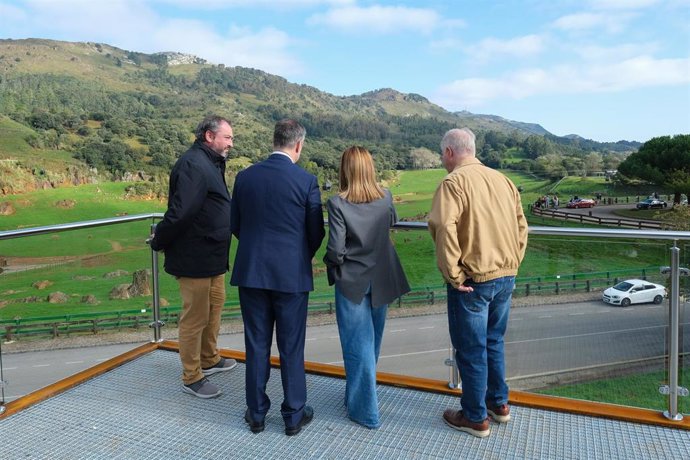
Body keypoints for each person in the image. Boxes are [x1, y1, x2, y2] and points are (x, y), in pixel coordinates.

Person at [428, 128, 528, 438]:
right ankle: (499, 404)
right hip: (505, 275)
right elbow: (522, 225)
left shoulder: (453, 182)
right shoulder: (504, 180)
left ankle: (474, 417)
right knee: (494, 341)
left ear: (449, 153)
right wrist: (514, 262)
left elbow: (443, 226)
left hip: (473, 279)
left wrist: (453, 275)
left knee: (470, 349)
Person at [230, 119, 325, 436]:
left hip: (252, 272)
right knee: (291, 347)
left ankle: (256, 414)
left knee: (256, 344)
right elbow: (316, 232)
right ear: (299, 145)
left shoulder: (245, 177)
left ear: (274, 141)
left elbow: (236, 225)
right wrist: (298, 256)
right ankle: (294, 415)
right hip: (292, 276)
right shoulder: (307, 180)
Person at [150, 115, 238, 399]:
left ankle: (209, 358)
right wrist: (160, 239)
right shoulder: (193, 164)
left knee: (214, 308)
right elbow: (181, 212)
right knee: (195, 316)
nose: (231, 144)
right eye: (227, 138)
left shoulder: (209, 162)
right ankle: (192, 376)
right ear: (209, 137)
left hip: (212, 254)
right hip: (195, 255)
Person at [323, 146, 410, 429]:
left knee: (356, 344)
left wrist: (330, 262)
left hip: (352, 280)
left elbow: (336, 249)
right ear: (370, 168)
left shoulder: (337, 203)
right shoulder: (385, 197)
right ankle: (357, 396)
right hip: (382, 277)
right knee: (372, 342)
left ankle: (365, 411)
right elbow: (392, 222)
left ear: (345, 170)